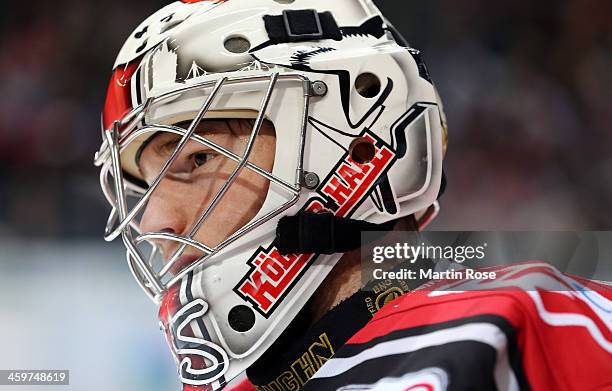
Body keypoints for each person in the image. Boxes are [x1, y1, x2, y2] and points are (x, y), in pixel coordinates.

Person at [95, 1, 612, 390]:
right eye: (147, 182)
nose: (154, 220)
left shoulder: (517, 324)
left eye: (197, 159)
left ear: (349, 137)